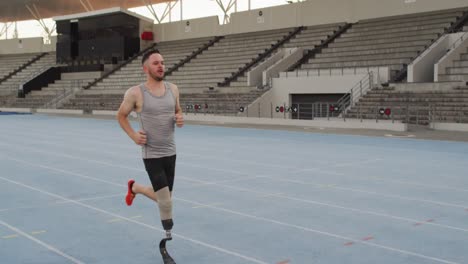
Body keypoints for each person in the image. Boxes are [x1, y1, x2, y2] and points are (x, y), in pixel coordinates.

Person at [117, 49, 184, 238]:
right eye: (155, 63)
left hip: (171, 152)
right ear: (145, 68)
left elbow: (177, 110)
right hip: (152, 154)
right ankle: (168, 233)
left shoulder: (173, 89)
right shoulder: (136, 93)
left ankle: (135, 188)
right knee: (165, 202)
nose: (161, 66)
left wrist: (179, 118)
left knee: (165, 198)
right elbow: (121, 116)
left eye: (162, 62)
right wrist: (133, 136)